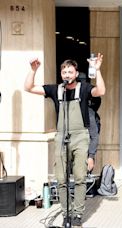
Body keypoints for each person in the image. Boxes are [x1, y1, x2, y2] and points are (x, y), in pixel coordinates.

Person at [24, 54, 105, 227]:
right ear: (61, 74)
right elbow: (29, 87)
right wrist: (33, 70)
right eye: (64, 72)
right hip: (61, 136)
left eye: (70, 72)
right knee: (61, 179)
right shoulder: (56, 90)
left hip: (80, 136)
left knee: (80, 177)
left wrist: (97, 70)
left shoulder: (83, 89)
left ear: (76, 74)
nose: (67, 75)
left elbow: (101, 91)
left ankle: (77, 214)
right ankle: (66, 213)